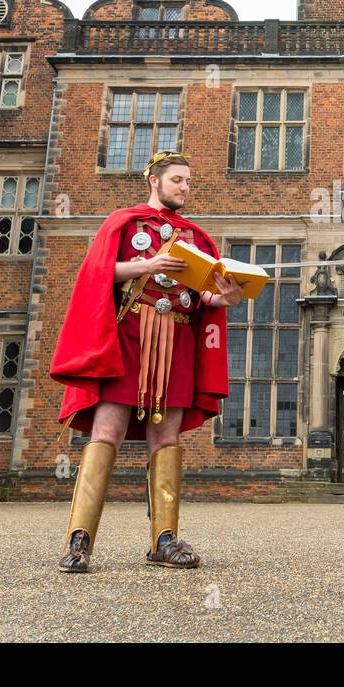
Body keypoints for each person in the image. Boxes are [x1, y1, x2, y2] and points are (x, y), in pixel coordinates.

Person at [49, 151, 242, 573]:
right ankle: (79, 540)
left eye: (188, 182)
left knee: (166, 436)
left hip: (177, 342)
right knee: (107, 430)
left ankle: (164, 539)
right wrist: (147, 264)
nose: (185, 188)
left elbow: (199, 298)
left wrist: (223, 298)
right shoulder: (126, 222)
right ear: (154, 182)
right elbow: (96, 273)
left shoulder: (197, 238)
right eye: (177, 181)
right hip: (128, 338)